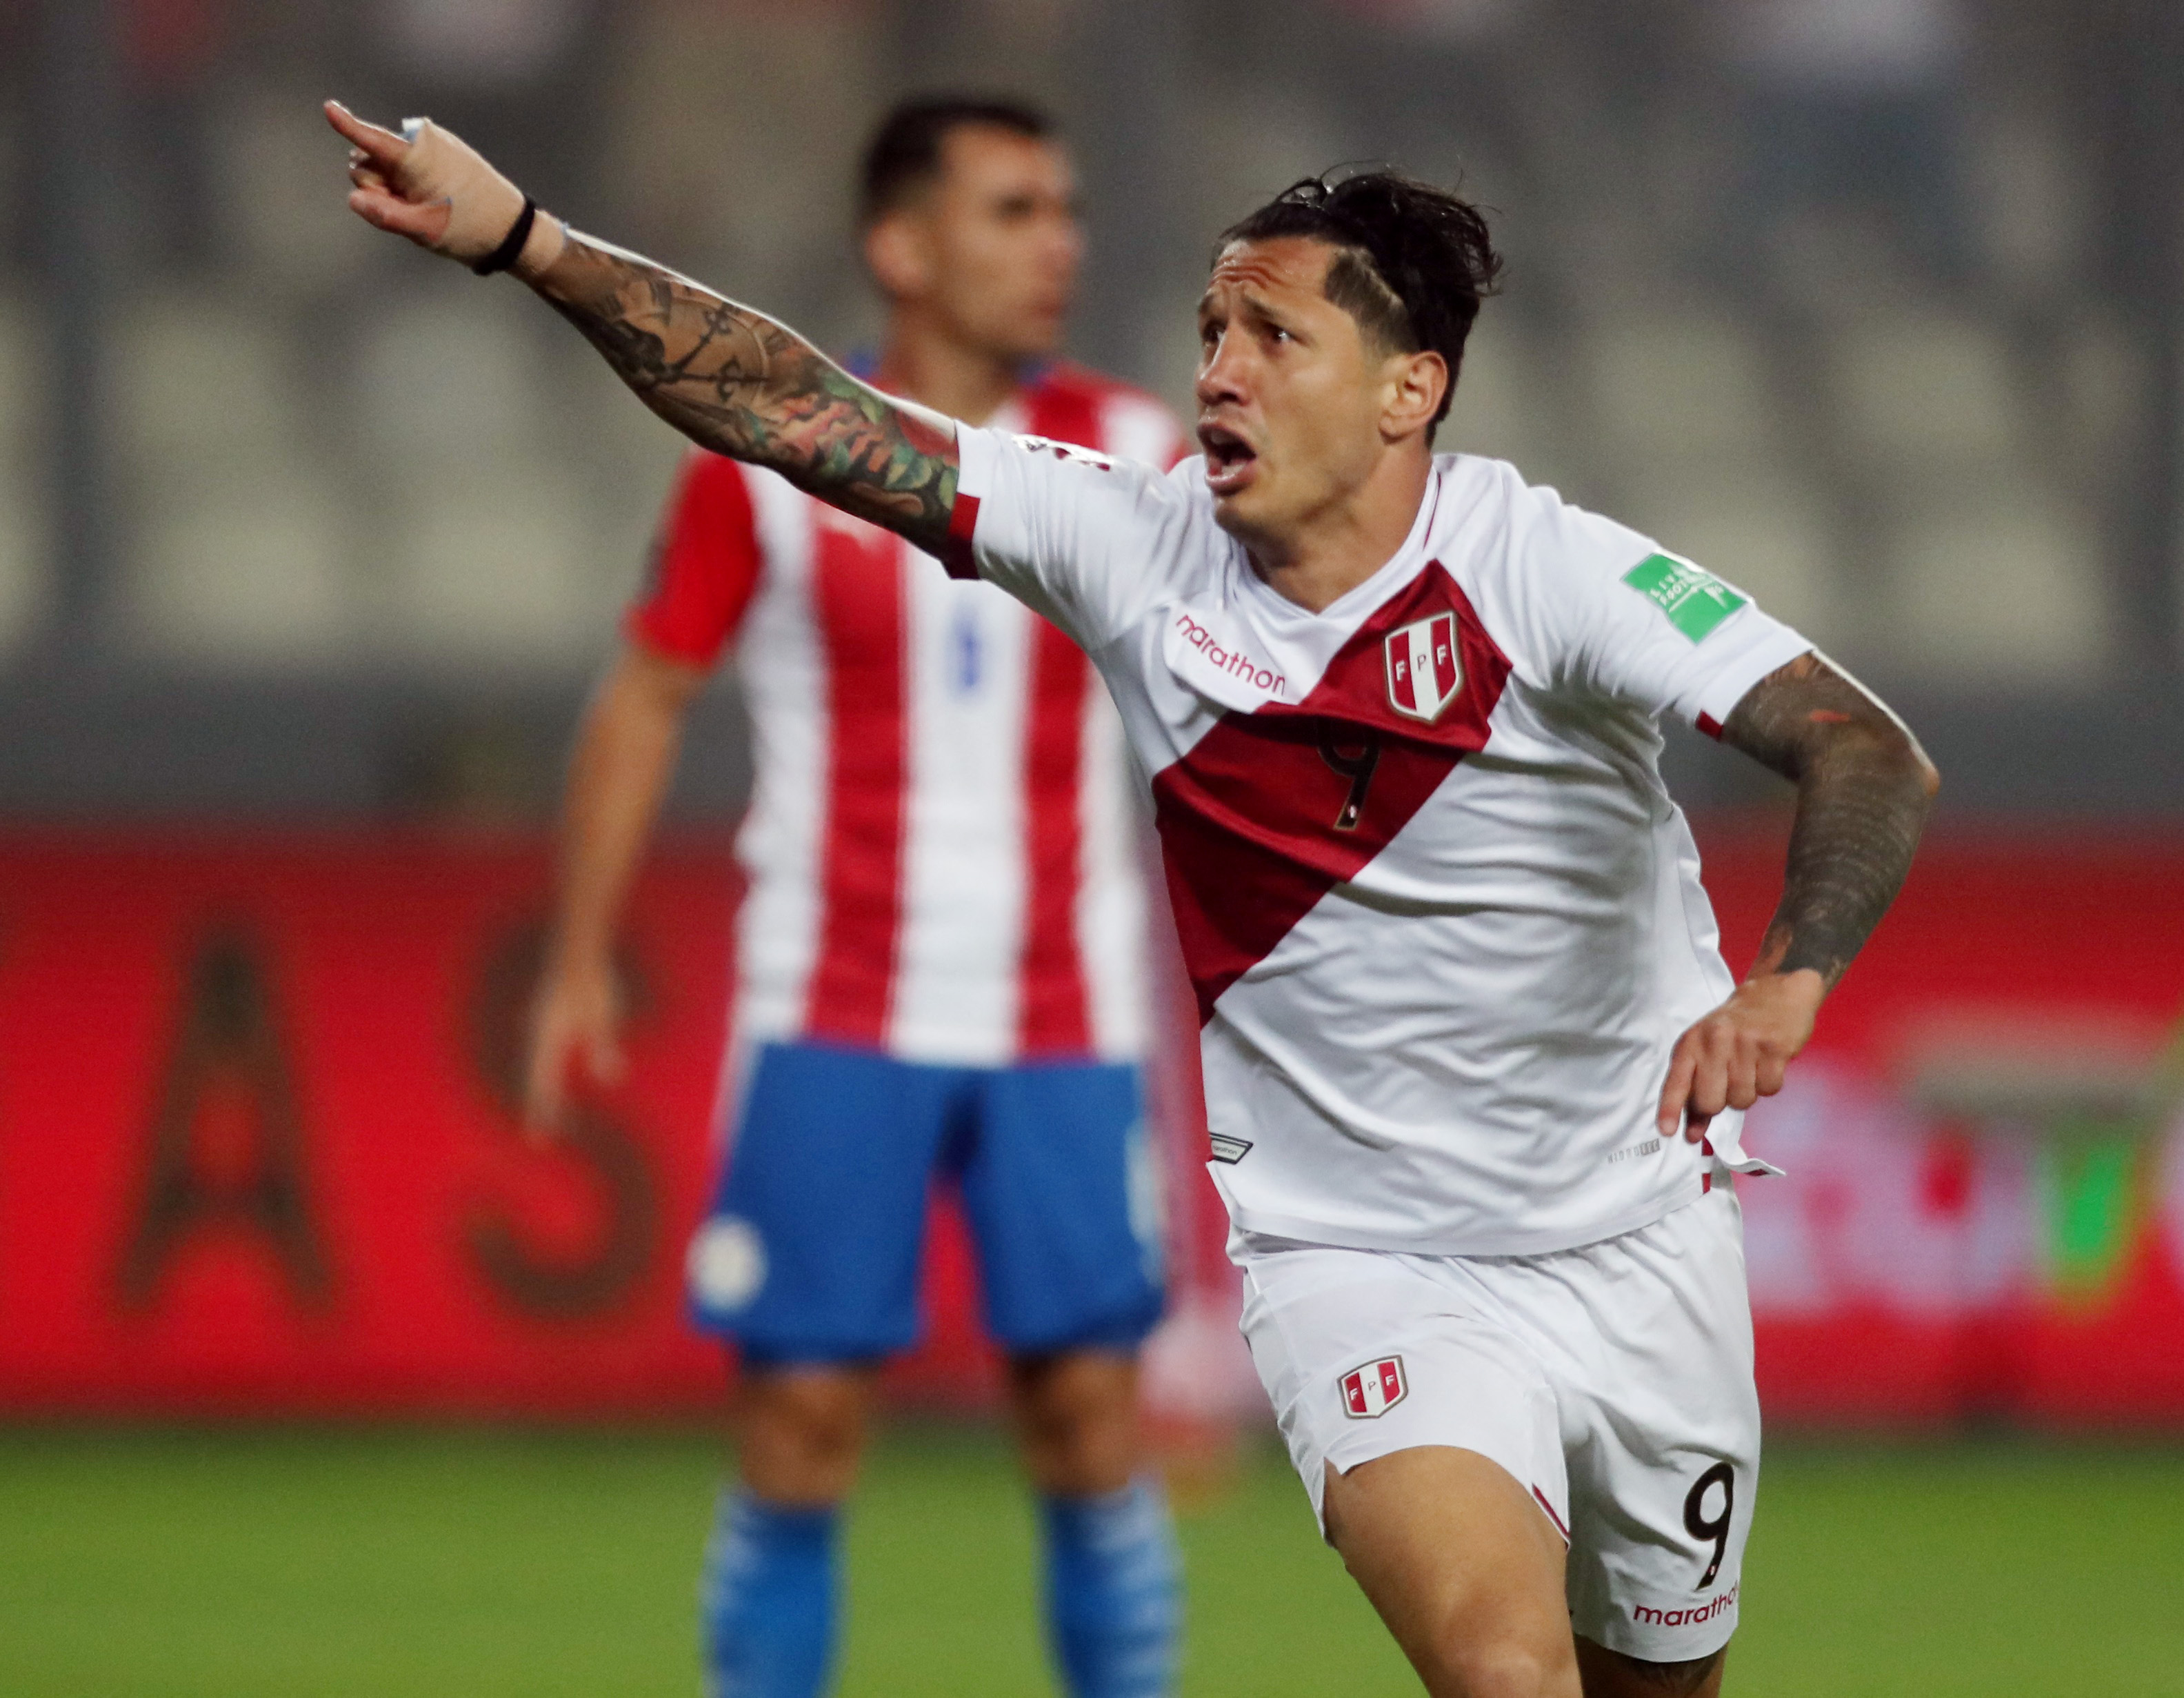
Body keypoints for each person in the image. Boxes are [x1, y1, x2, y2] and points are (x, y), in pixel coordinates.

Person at [328, 100, 1938, 1697]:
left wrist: (1787, 984)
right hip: (1363, 1256)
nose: (1217, 371)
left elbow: (1864, 750)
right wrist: (526, 242)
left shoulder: (1551, 572)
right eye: (1210, 329)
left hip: (1642, 1235)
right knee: (1507, 1679)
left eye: (1273, 336)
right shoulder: (1129, 543)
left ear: (1408, 390)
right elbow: (788, 407)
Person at [515, 98, 1185, 1698]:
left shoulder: (1145, 451)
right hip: (830, 1002)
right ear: (900, 244)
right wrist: (580, 958)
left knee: (1091, 1416)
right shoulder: (769, 453)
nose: (1058, 243)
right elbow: (649, 690)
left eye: (1066, 208)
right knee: (802, 1421)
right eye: (1015, 209)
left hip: (1064, 1015)